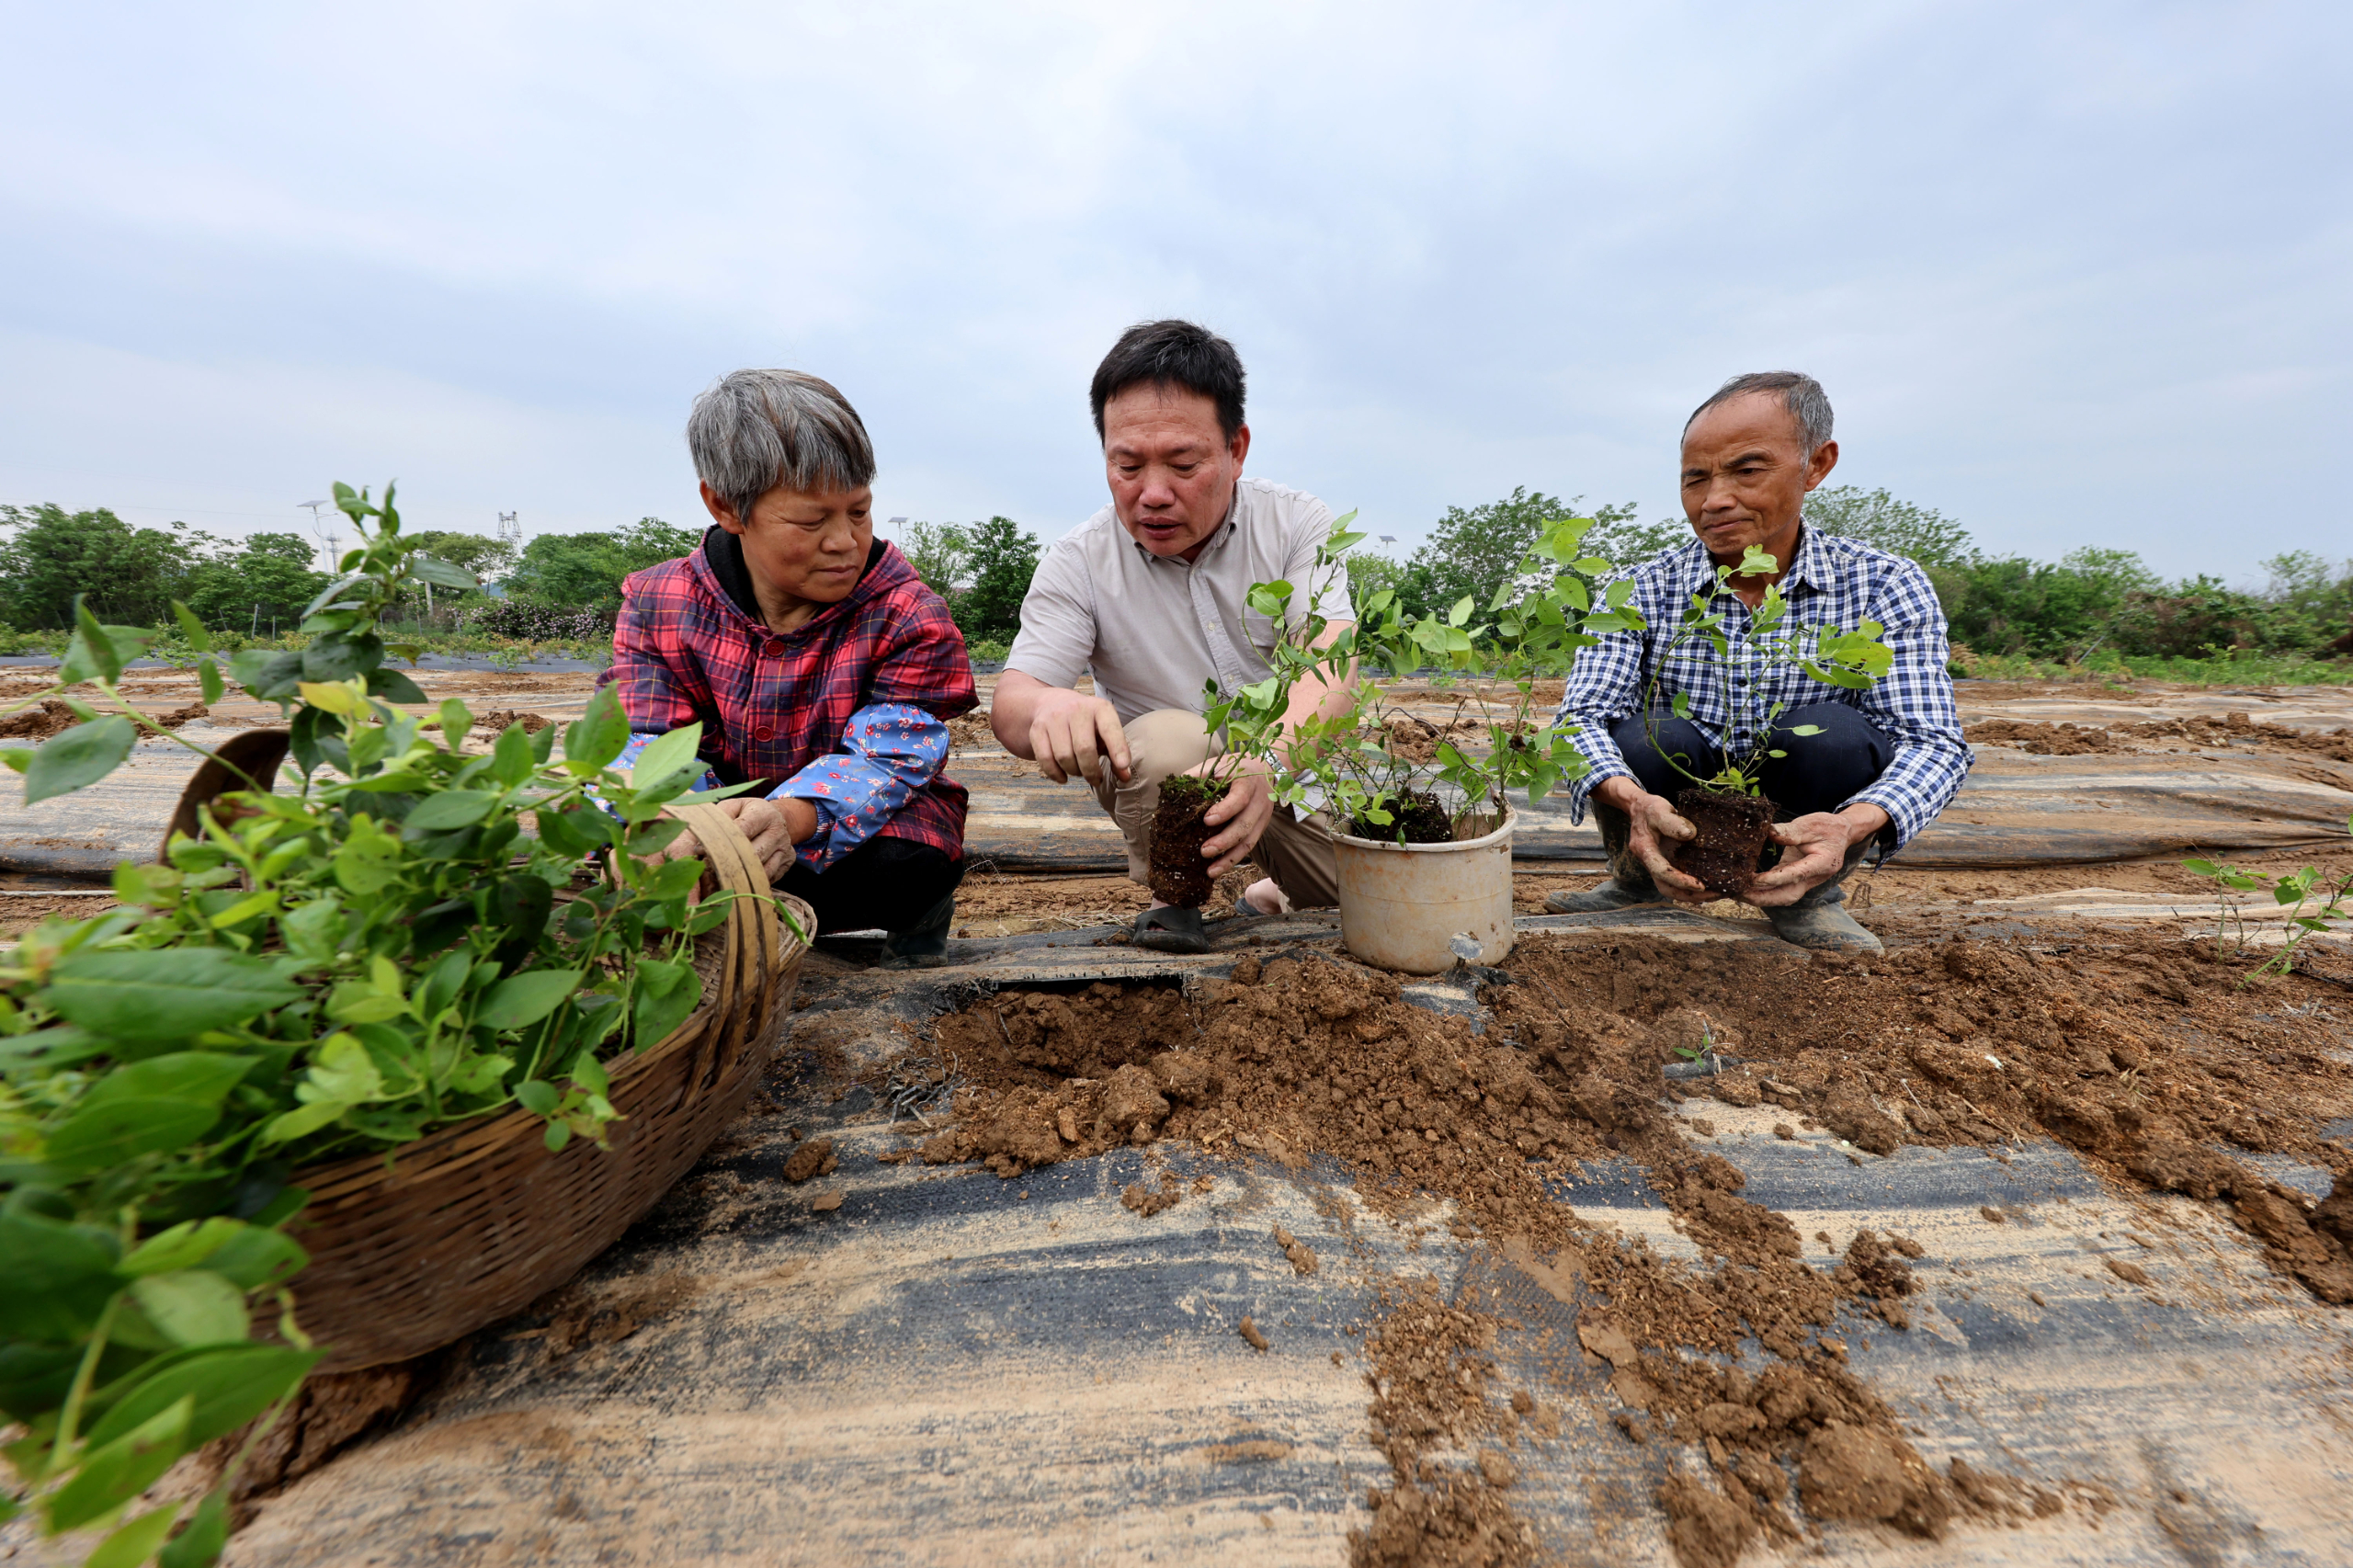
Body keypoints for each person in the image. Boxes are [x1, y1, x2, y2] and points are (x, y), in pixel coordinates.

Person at [1546, 371, 1970, 953]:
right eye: (1696, 478)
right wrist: (1634, 801)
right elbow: (1579, 722)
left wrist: (1847, 825)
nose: (1715, 499)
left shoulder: (1883, 584)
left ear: (1816, 465)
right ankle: (1639, 875)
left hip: (1800, 812)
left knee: (1836, 736)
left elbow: (1932, 742)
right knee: (1648, 736)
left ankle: (1807, 891)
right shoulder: (1640, 587)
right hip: (1671, 808)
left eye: (1747, 470)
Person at [991, 320, 1356, 953]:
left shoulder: (1296, 523)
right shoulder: (1080, 560)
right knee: (1169, 739)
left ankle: (1270, 892)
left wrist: (1268, 763)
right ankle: (1175, 898)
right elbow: (1015, 697)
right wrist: (1050, 706)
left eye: (1183, 464)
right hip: (1165, 783)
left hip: (1291, 771)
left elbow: (1332, 658)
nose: (1152, 494)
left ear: (1236, 449)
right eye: (1126, 465)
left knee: (1366, 905)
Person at [605, 368, 978, 967]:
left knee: (914, 865)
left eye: (859, 512)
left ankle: (907, 916)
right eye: (811, 521)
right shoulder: (659, 603)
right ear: (726, 507)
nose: (844, 542)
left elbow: (884, 760)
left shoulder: (909, 615)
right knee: (606, 835)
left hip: (834, 833)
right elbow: (647, 741)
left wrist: (786, 818)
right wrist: (682, 826)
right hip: (712, 814)